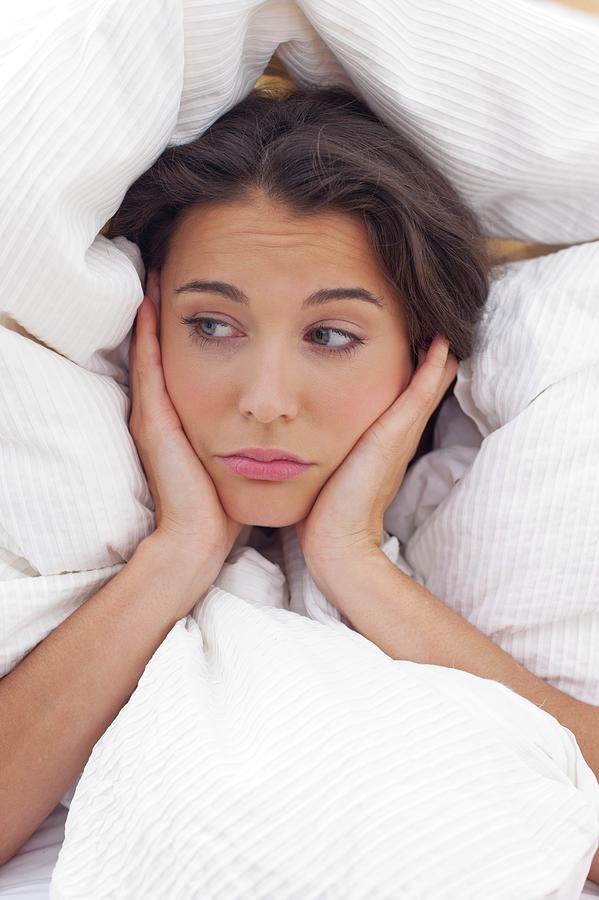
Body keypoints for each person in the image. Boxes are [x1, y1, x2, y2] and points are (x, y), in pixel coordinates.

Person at [2, 84, 597, 887]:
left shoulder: (460, 516)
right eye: (212, 325)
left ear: (422, 357)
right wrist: (178, 553)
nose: (265, 399)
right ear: (146, 328)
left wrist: (355, 564)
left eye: (330, 335)